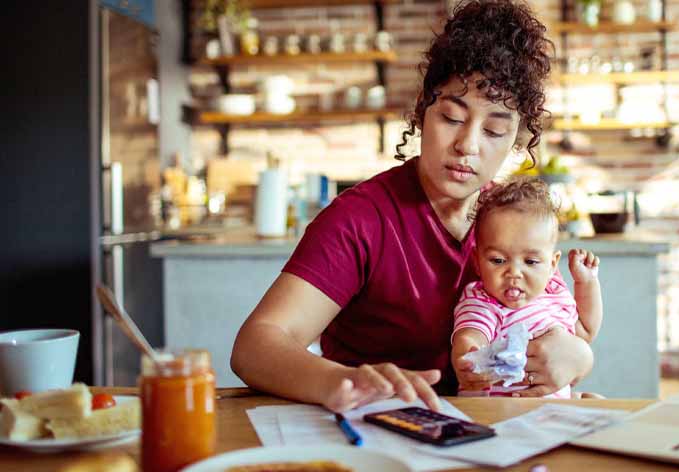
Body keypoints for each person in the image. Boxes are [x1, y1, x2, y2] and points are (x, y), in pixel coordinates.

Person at [230, 0, 594, 413]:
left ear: (514, 140)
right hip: (377, 425)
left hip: (490, 429)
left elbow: (557, 324)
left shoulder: (513, 221)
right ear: (423, 111)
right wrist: (338, 380)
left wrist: (578, 357)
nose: (468, 145)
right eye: (452, 118)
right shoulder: (361, 219)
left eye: (494, 130)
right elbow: (255, 345)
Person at [450, 177, 602, 398]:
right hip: (503, 412)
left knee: (595, 402)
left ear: (552, 265)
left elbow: (586, 332)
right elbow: (471, 334)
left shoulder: (553, 293)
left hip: (553, 411)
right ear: (477, 262)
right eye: (498, 260)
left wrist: (586, 283)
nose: (514, 273)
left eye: (530, 262)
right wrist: (468, 356)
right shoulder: (483, 300)